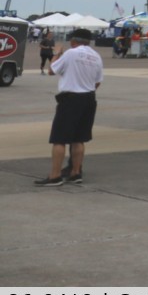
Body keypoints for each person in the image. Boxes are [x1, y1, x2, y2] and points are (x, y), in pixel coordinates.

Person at [35, 28, 103, 187]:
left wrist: (57, 53)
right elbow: (98, 81)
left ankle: (55, 175)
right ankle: (75, 172)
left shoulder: (71, 53)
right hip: (89, 98)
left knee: (59, 139)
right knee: (79, 139)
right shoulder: (96, 56)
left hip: (71, 99)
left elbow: (52, 70)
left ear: (73, 41)